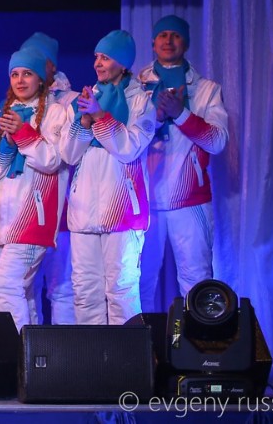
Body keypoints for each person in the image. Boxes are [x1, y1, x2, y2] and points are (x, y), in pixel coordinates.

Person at [59, 30, 156, 324]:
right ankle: (92, 352)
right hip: (84, 211)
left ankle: (125, 353)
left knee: (121, 290)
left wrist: (101, 117)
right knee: (85, 292)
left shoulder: (141, 101)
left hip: (123, 212)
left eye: (106, 57)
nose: (98, 64)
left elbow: (129, 148)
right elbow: (69, 154)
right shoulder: (85, 99)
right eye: (96, 57)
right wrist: (84, 121)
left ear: (123, 63)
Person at [136, 16, 229, 309]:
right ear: (153, 43)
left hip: (189, 201)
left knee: (196, 281)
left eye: (175, 35)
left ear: (185, 43)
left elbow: (217, 141)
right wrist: (155, 118)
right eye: (162, 35)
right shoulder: (135, 86)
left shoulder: (206, 89)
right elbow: (125, 140)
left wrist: (181, 114)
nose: (168, 40)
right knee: (138, 282)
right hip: (145, 200)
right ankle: (140, 340)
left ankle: (198, 339)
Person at [0, 48, 69, 330]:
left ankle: (17, 352)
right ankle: (33, 354)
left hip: (34, 217)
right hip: (3, 218)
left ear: (41, 79)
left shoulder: (56, 112)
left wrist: (22, 132)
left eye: (27, 73)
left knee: (5, 287)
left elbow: (52, 161)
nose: (20, 80)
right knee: (25, 294)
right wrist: (8, 142)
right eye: (15, 74)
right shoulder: (3, 112)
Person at [20, 31, 78, 324]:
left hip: (62, 207)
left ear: (51, 66)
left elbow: (66, 155)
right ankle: (30, 350)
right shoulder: (15, 106)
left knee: (62, 287)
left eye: (38, 61)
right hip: (25, 211)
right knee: (25, 287)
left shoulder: (70, 102)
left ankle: (65, 351)